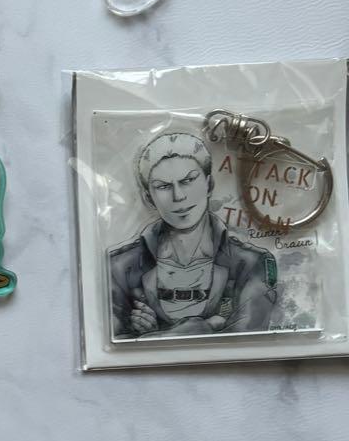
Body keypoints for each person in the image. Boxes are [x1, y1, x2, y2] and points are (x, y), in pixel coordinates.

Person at [109, 132, 278, 338]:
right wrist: (199, 329)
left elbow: (249, 341)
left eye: (188, 180)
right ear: (149, 198)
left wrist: (155, 337)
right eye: (163, 186)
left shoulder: (252, 262)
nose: (178, 196)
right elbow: (106, 341)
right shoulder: (119, 266)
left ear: (209, 184)